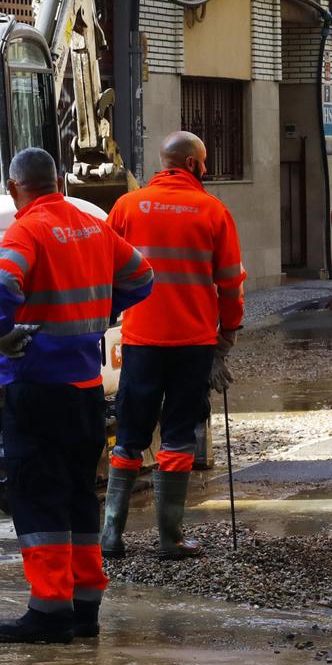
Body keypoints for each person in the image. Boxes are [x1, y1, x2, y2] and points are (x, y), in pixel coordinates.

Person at [0, 148, 154, 643]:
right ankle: (85, 606)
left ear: (15, 188)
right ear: (58, 181)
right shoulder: (91, 226)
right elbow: (142, 277)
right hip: (84, 388)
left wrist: (1, 330)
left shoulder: (27, 229)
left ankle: (49, 609)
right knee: (79, 494)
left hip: (36, 384)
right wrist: (105, 310)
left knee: (37, 495)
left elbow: (1, 283)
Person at [100, 131, 246, 560]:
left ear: (164, 164)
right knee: (179, 437)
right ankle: (170, 538)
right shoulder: (213, 210)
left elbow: (106, 268)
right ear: (193, 164)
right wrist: (227, 336)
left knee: (129, 437)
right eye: (203, 162)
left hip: (142, 342)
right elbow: (231, 282)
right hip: (193, 343)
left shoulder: (128, 206)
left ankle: (111, 535)